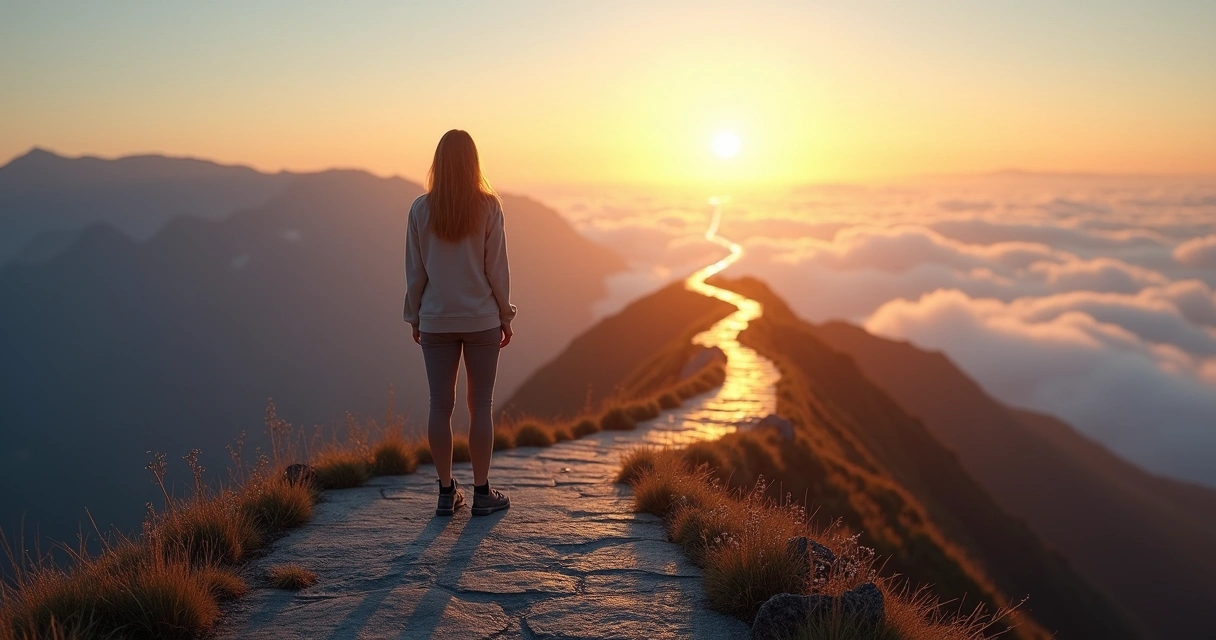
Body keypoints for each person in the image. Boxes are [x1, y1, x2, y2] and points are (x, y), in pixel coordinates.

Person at [404, 129, 515, 517]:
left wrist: (414, 314)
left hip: (435, 319)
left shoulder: (420, 209)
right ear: (474, 163)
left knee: (440, 405)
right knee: (480, 405)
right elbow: (496, 269)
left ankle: (445, 493)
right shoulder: (488, 207)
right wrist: (505, 314)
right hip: (482, 318)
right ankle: (482, 493)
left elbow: (415, 272)